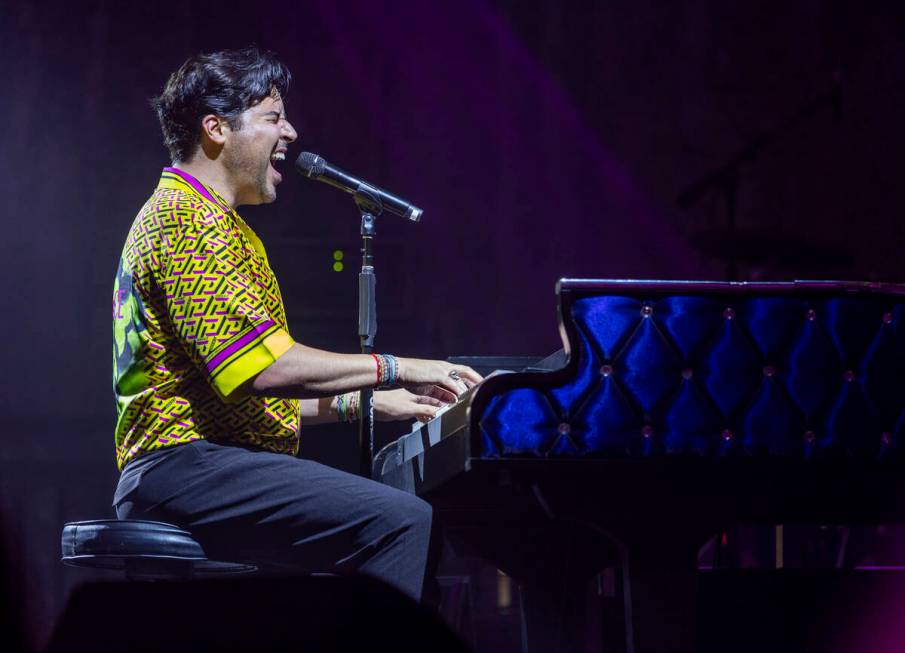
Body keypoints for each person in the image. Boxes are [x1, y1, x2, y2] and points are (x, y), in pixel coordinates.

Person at [111, 47, 481, 601]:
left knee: (385, 525)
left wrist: (368, 404)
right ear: (215, 129)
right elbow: (270, 370)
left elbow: (241, 386)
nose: (291, 131)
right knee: (403, 522)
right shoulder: (187, 222)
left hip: (202, 464)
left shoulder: (211, 222)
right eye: (272, 117)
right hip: (185, 470)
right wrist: (395, 368)